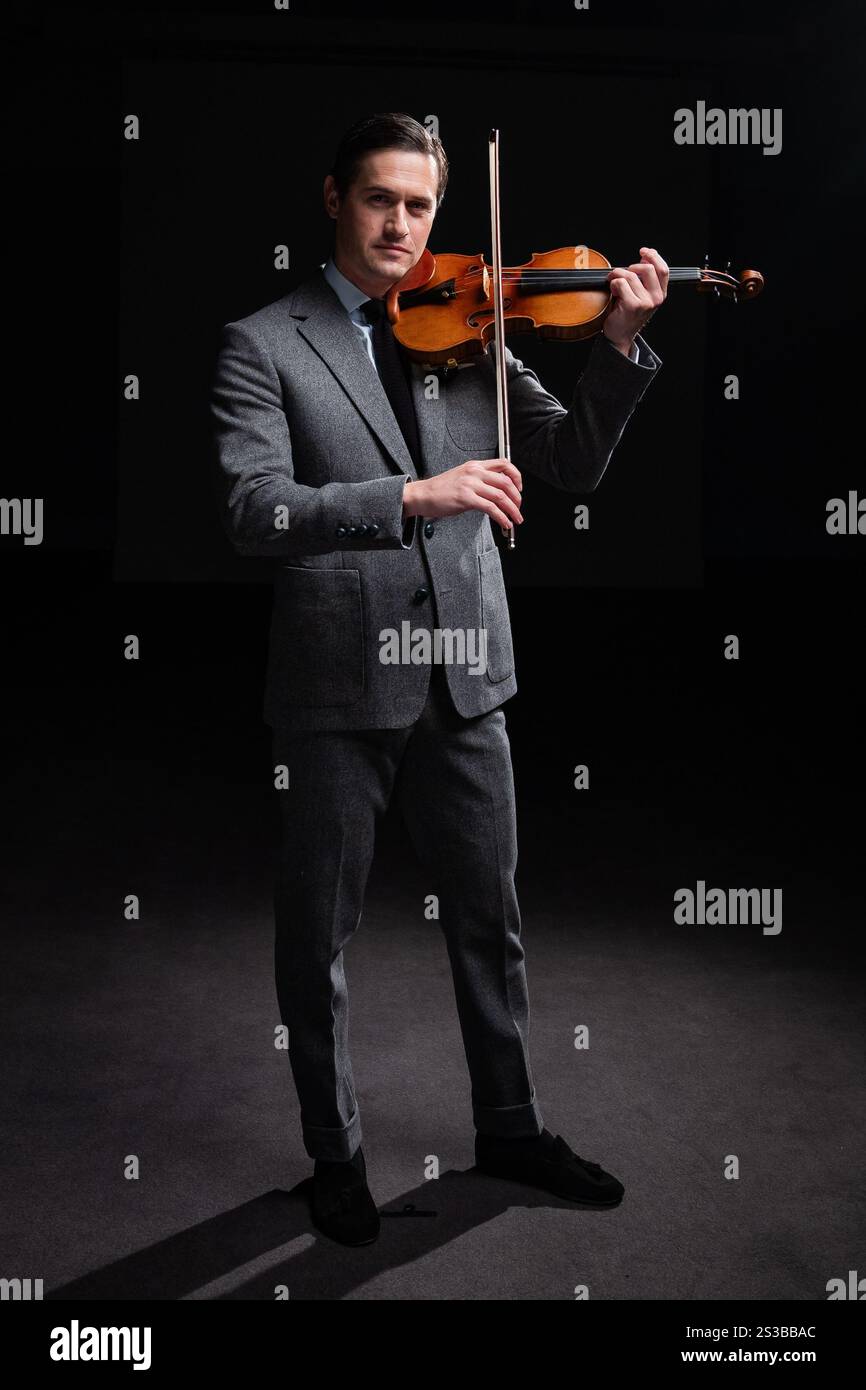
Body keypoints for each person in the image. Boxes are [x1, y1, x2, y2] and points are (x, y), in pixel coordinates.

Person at [210, 112, 667, 1246]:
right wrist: (412, 497)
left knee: (489, 918)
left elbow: (566, 465)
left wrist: (615, 342)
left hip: (465, 674)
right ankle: (335, 1156)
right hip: (335, 684)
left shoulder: (467, 327)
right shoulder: (263, 342)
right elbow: (253, 510)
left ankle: (509, 1127)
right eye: (379, 201)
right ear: (334, 199)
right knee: (315, 936)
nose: (402, 227)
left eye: (419, 206)